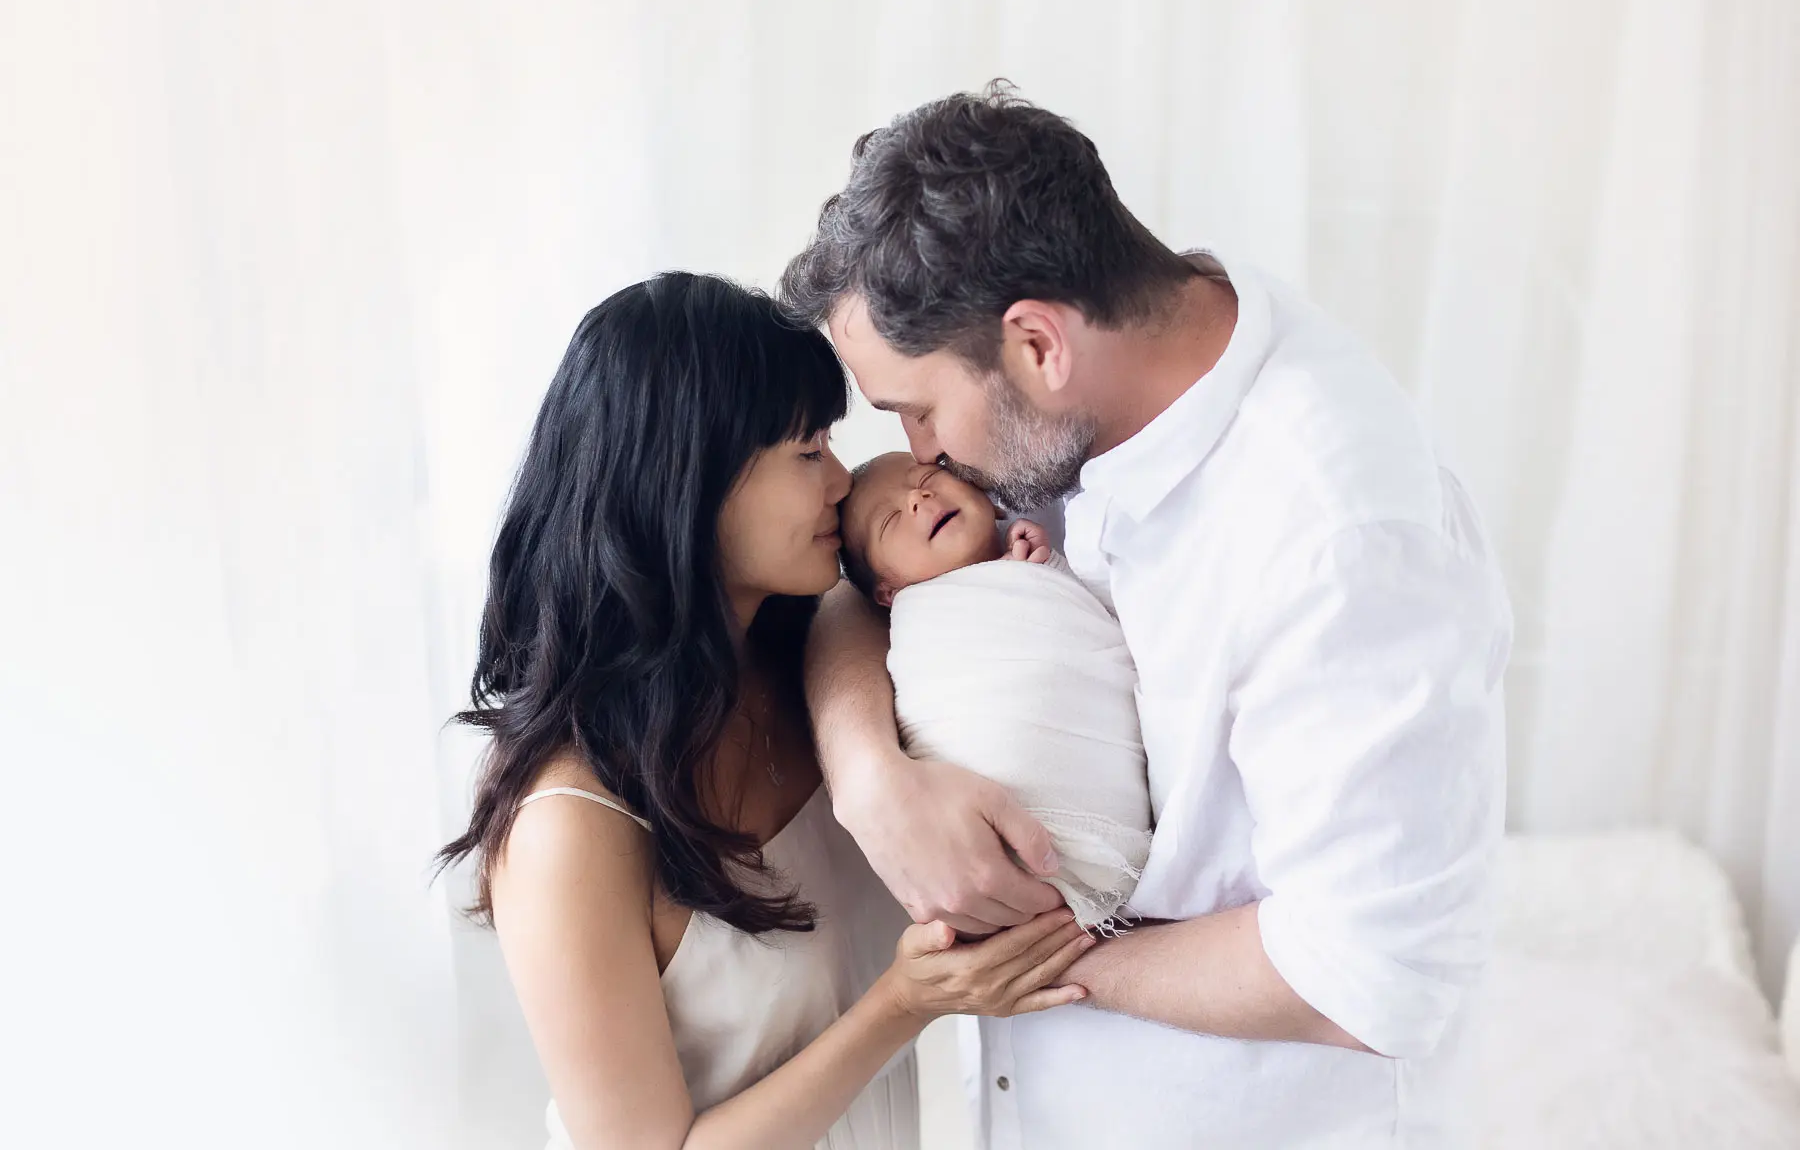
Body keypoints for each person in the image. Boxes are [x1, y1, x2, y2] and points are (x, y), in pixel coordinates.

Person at [779, 84, 1513, 1147]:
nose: (920, 459)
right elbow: (857, 580)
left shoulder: (1336, 533)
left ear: (1036, 344)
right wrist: (872, 782)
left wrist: (1040, 957)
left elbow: (1374, 974)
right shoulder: (1070, 414)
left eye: (919, 411)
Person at [434, 272, 1097, 1150]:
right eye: (808, 450)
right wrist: (906, 1005)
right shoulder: (570, 822)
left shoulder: (810, 668)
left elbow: (876, 608)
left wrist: (869, 768)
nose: (842, 479)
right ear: (691, 484)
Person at [838, 451, 1151, 932]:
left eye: (927, 479)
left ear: (992, 500)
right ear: (886, 591)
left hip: (1133, 825)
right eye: (891, 519)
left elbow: (1098, 630)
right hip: (996, 851)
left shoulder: (1036, 556)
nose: (919, 498)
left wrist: (1046, 572)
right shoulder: (920, 622)